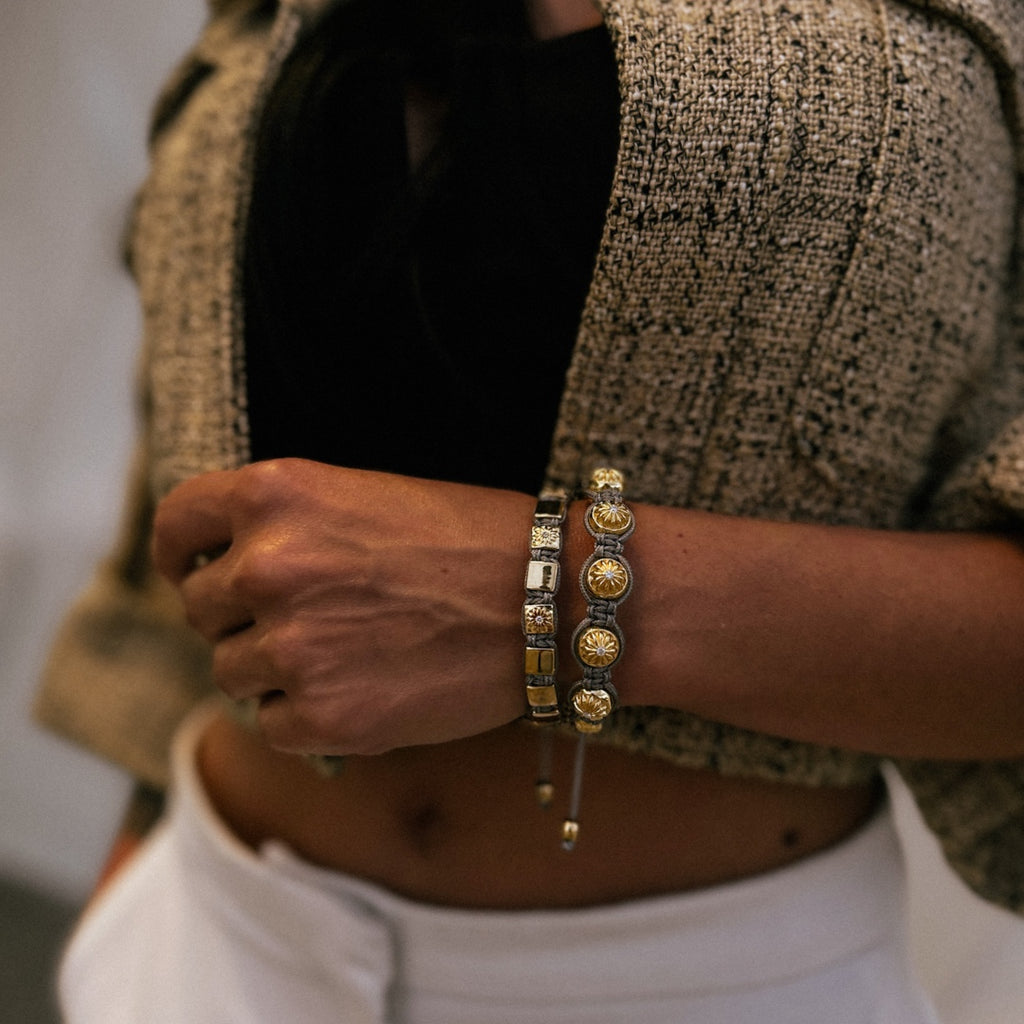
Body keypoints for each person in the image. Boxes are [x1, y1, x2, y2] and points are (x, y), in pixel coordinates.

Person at [37, 0, 1024, 1019]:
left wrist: (539, 600)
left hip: (705, 983)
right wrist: (124, 909)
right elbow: (200, 498)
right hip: (213, 938)